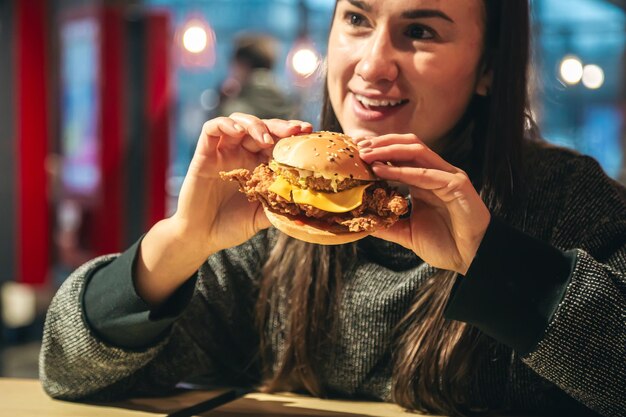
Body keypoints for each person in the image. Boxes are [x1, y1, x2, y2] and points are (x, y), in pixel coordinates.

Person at [40, 1, 625, 416]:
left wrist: (496, 264)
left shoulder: (566, 198)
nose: (371, 65)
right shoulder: (275, 216)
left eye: (420, 30)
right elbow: (69, 371)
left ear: (490, 68)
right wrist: (181, 240)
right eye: (356, 20)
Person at [214, 33, 296, 120]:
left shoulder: (237, 107)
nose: (232, 72)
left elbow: (221, 128)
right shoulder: (284, 97)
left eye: (234, 65)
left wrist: (222, 102)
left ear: (243, 64)